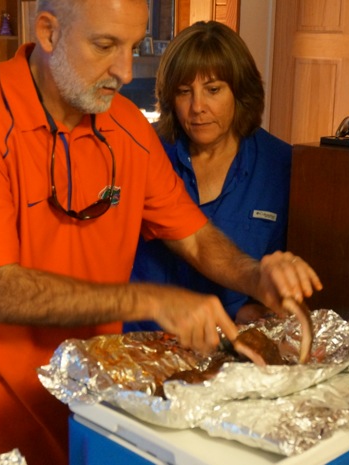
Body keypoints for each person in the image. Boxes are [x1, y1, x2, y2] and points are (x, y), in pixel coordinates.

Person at [0, 1, 322, 464]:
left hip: (89, 415)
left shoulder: (128, 128)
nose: (124, 71)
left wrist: (254, 274)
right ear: (48, 33)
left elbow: (196, 238)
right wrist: (151, 301)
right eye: (105, 46)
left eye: (134, 47)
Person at [125, 20, 293, 331]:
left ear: (240, 91)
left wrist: (252, 308)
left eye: (213, 90)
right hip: (141, 343)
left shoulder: (283, 166)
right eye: (184, 92)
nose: (197, 107)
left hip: (230, 347)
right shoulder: (141, 151)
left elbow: (276, 274)